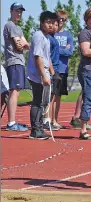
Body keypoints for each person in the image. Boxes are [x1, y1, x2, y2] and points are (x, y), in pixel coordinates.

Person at [27, 11, 57, 140]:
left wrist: (52, 72)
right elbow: (38, 57)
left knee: (43, 102)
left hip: (44, 73)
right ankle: (35, 130)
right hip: (37, 75)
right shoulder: (38, 36)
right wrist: (44, 76)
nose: (50, 25)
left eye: (52, 23)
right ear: (41, 23)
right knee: (37, 102)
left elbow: (47, 56)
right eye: (48, 22)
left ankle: (39, 127)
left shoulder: (46, 37)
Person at [3, 3, 30, 131]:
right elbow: (19, 45)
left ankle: (12, 122)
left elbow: (26, 44)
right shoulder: (10, 25)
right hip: (14, 61)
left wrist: (23, 43)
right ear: (11, 11)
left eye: (20, 12)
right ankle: (11, 123)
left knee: (16, 92)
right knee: (14, 91)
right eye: (17, 11)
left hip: (19, 61)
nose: (19, 14)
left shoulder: (18, 28)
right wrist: (22, 44)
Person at [43, 16, 63, 131]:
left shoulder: (53, 38)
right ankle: (46, 120)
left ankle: (48, 120)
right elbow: (47, 55)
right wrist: (52, 71)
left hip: (55, 69)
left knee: (52, 97)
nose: (55, 27)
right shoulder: (49, 39)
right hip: (51, 69)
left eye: (57, 25)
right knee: (48, 98)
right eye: (53, 24)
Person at [54, 10, 73, 124]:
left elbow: (70, 52)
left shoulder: (68, 35)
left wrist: (57, 50)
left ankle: (55, 120)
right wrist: (62, 50)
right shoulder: (52, 34)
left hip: (63, 69)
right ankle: (49, 120)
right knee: (51, 97)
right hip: (53, 69)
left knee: (59, 97)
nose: (61, 21)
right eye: (59, 19)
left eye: (64, 19)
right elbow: (50, 51)